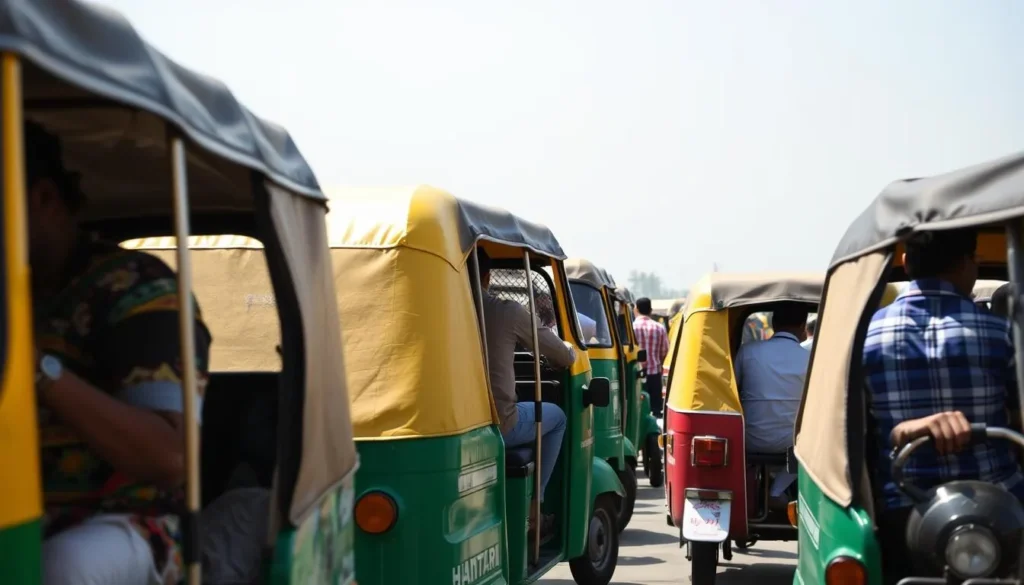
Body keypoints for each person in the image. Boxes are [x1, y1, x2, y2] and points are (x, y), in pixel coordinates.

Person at [26, 121, 212, 585]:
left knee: (65, 567)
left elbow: (171, 457)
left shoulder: (137, 288)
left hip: (123, 521)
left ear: (43, 199)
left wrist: (36, 371)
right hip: (18, 514)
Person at [862, 230, 1024, 580]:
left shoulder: (867, 335)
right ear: (970, 264)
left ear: (905, 263)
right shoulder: (1002, 333)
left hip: (904, 509)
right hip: (1001, 508)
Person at [476, 248, 575, 534]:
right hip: (498, 424)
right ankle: (535, 508)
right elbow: (564, 357)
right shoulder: (506, 310)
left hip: (456, 425)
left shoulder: (441, 311)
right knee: (557, 417)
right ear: (488, 276)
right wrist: (568, 348)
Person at [734, 303, 810, 454]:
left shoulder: (748, 351)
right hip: (796, 443)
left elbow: (733, 390)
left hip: (751, 440)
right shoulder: (811, 358)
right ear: (803, 325)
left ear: (773, 323)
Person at [633, 297, 669, 417]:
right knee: (655, 410)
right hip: (654, 373)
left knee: (637, 409)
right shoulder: (659, 328)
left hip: (635, 374)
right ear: (651, 310)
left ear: (636, 309)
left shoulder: (632, 327)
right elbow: (664, 351)